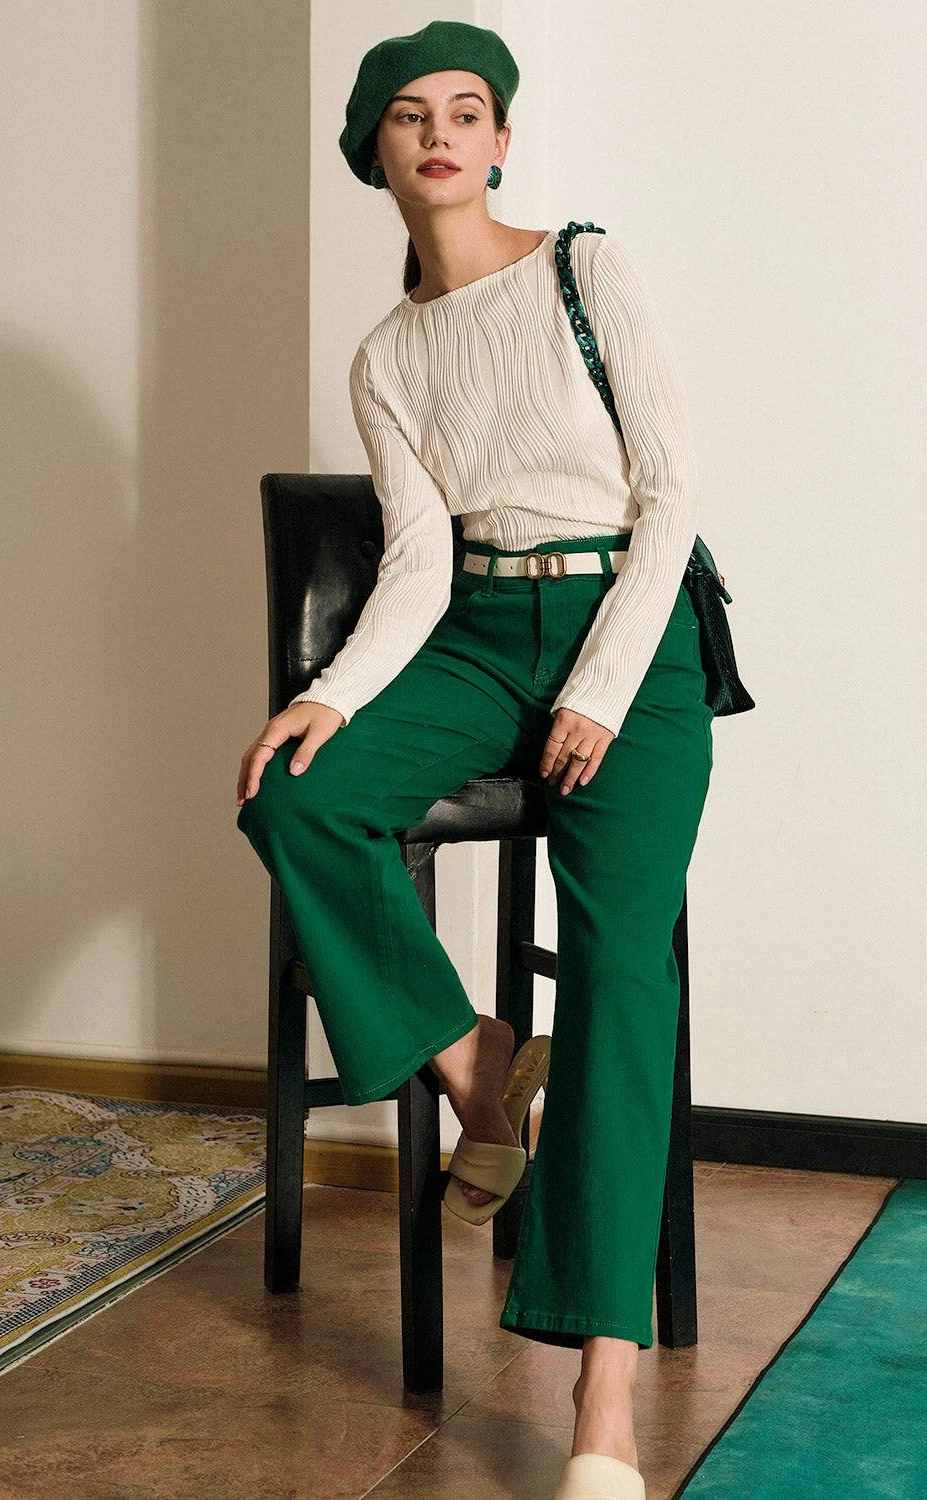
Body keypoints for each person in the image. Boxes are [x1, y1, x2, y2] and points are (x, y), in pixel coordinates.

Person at [235, 21, 713, 1500]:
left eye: (466, 111)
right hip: (478, 634)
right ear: (374, 152)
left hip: (632, 631)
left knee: (622, 972)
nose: (440, 134)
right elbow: (421, 561)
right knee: (296, 795)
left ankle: (603, 1404)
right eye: (409, 115)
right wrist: (330, 696)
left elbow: (670, 494)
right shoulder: (388, 354)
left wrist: (608, 686)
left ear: (501, 141)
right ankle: (476, 1062)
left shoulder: (585, 268)